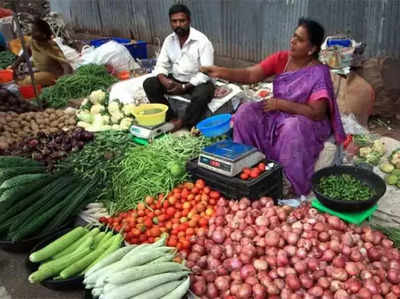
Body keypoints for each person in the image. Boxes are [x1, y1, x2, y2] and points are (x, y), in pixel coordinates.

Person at [201, 18, 346, 196]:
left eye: (299, 40)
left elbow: (317, 113)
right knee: (245, 113)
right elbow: (250, 74)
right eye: (294, 36)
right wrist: (220, 71)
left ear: (312, 49)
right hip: (279, 114)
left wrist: (281, 104)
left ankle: (287, 183)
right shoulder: (282, 59)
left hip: (306, 119)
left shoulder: (319, 72)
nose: (292, 41)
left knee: (292, 128)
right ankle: (249, 165)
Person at [143, 4, 215, 131]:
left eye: (182, 21)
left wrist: (184, 87)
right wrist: (164, 80)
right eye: (174, 21)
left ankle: (183, 122)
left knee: (202, 95)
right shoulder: (169, 40)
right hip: (177, 79)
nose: (178, 25)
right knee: (149, 84)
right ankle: (171, 117)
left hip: (198, 82)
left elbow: (206, 72)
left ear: (189, 21)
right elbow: (161, 65)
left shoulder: (202, 41)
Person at [9, 18, 72, 87]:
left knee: (30, 80)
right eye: (32, 30)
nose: (32, 33)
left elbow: (65, 63)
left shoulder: (50, 46)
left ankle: (19, 85)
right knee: (21, 75)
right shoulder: (33, 42)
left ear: (43, 34)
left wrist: (64, 79)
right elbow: (26, 54)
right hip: (40, 71)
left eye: (35, 31)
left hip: (53, 74)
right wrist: (14, 66)